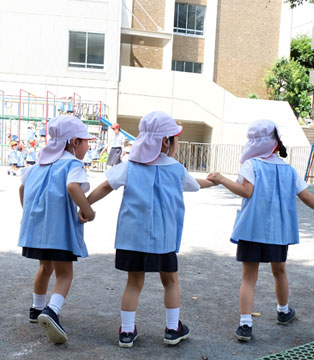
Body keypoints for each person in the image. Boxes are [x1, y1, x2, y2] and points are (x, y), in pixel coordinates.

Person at [85, 111, 214, 348]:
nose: (178, 142)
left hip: (131, 238)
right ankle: (173, 329)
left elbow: (105, 186)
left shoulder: (130, 166)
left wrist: (85, 205)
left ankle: (126, 332)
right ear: (165, 142)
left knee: (134, 282)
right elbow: (196, 184)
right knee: (171, 281)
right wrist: (216, 180)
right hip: (163, 239)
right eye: (175, 138)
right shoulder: (176, 169)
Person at [206, 119, 314, 342]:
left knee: (248, 278)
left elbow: (245, 191)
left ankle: (245, 324)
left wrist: (222, 179)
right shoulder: (288, 169)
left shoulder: (251, 165)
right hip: (279, 232)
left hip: (252, 230)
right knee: (279, 271)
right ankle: (283, 310)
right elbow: (306, 197)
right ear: (276, 143)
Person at [18, 115, 96, 344]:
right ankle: (52, 310)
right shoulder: (72, 164)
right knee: (64, 273)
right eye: (85, 141)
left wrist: (29, 214)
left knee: (45, 267)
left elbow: (22, 188)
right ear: (73, 142)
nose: (87, 145)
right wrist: (88, 210)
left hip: (37, 231)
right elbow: (73, 186)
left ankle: (37, 307)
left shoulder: (38, 165)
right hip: (59, 232)